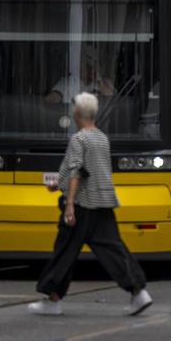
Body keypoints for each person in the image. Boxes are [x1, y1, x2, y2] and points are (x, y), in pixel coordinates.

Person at [28, 92, 152, 316]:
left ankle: (53, 298)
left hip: (82, 203)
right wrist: (59, 183)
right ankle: (138, 291)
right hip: (103, 201)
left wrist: (69, 206)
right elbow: (91, 170)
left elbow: (77, 171)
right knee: (113, 248)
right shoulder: (102, 138)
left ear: (77, 113)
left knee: (65, 250)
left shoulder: (79, 139)